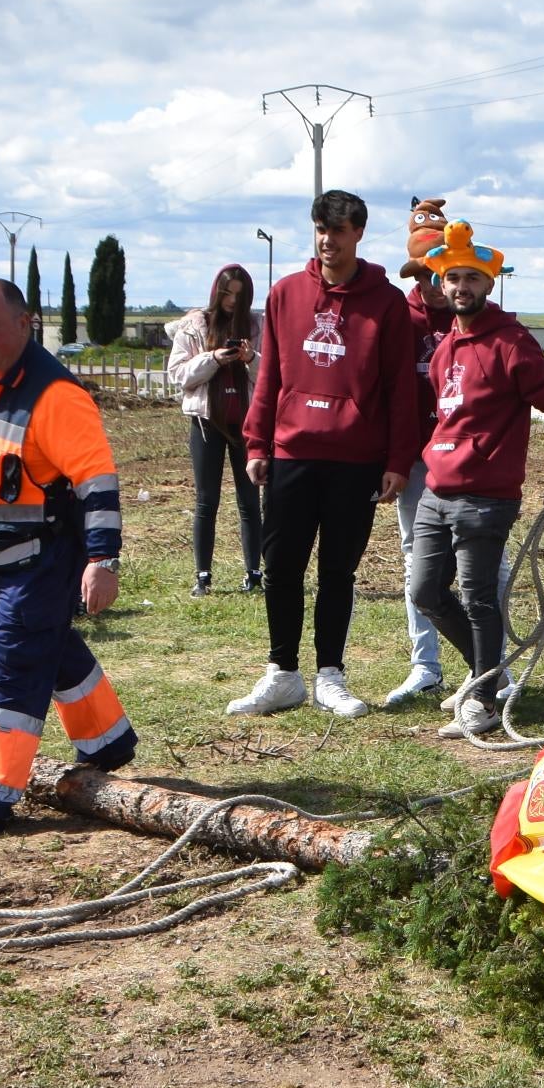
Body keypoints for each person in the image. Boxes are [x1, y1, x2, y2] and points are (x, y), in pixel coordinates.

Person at [0, 279, 134, 843]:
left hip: (44, 558)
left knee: (12, 667)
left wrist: (102, 561)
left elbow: (98, 485)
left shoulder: (59, 397)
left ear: (25, 325)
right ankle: (109, 740)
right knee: (47, 643)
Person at [234, 191, 422, 719]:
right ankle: (282, 673)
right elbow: (269, 374)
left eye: (337, 231)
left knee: (337, 571)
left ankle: (330, 676)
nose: (326, 240)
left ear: (358, 234)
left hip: (356, 457)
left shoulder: (385, 304)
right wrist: (257, 441)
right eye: (320, 228)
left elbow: (398, 390)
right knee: (282, 566)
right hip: (292, 450)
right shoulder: (286, 294)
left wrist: (397, 460)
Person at [412, 222, 544, 738]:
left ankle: (480, 698)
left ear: (490, 284)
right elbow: (446, 416)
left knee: (479, 595)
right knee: (426, 592)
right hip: (436, 491)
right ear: (442, 284)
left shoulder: (511, 343)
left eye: (472, 278)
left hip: (486, 495)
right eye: (453, 278)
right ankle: (487, 673)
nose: (462, 287)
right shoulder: (444, 350)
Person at [384, 197, 453, 708]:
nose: (438, 283)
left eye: (444, 271)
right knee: (416, 559)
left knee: (478, 562)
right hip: (414, 459)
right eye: (427, 273)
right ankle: (425, 664)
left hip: (465, 460)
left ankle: (489, 662)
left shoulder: (470, 317)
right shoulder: (400, 321)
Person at [165, 263, 262, 595]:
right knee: (207, 500)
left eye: (239, 294)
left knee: (250, 500)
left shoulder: (257, 325)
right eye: (227, 293)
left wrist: (251, 359)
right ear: (217, 292)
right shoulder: (195, 325)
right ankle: (203, 576)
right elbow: (177, 373)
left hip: (246, 423)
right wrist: (214, 359)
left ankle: (254, 573)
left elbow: (270, 377)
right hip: (206, 422)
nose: (232, 301)